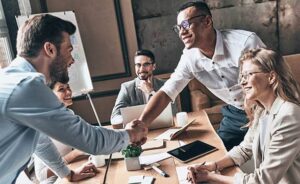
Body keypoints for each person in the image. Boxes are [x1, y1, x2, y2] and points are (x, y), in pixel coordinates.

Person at [0, 14, 147, 183]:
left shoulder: (11, 79)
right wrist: (132, 134)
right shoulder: (26, 86)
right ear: (50, 49)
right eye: (69, 50)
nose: (72, 60)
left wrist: (67, 174)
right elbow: (91, 140)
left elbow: (40, 141)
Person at [138, 1, 265, 150]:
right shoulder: (189, 57)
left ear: (207, 21)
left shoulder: (244, 43)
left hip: (264, 107)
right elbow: (167, 92)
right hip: (235, 112)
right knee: (216, 154)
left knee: (268, 155)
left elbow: (271, 81)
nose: (181, 32)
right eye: (178, 28)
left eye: (186, 25)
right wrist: (141, 124)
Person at [187, 48, 300, 184]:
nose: (242, 82)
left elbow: (262, 181)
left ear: (271, 77)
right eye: (242, 76)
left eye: (248, 75)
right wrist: (212, 166)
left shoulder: (289, 115)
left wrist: (210, 177)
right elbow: (244, 149)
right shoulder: (262, 109)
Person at [34, 81, 92, 183]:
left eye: (68, 88)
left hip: (72, 171)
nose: (69, 92)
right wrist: (74, 154)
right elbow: (41, 175)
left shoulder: (69, 114)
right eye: (62, 89)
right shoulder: (41, 124)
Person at [111, 49, 176, 129]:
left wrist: (151, 92)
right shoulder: (127, 88)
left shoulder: (165, 85)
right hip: (138, 132)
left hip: (163, 129)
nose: (141, 69)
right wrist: (130, 123)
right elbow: (114, 117)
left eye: (146, 64)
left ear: (154, 66)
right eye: (138, 65)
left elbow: (173, 112)